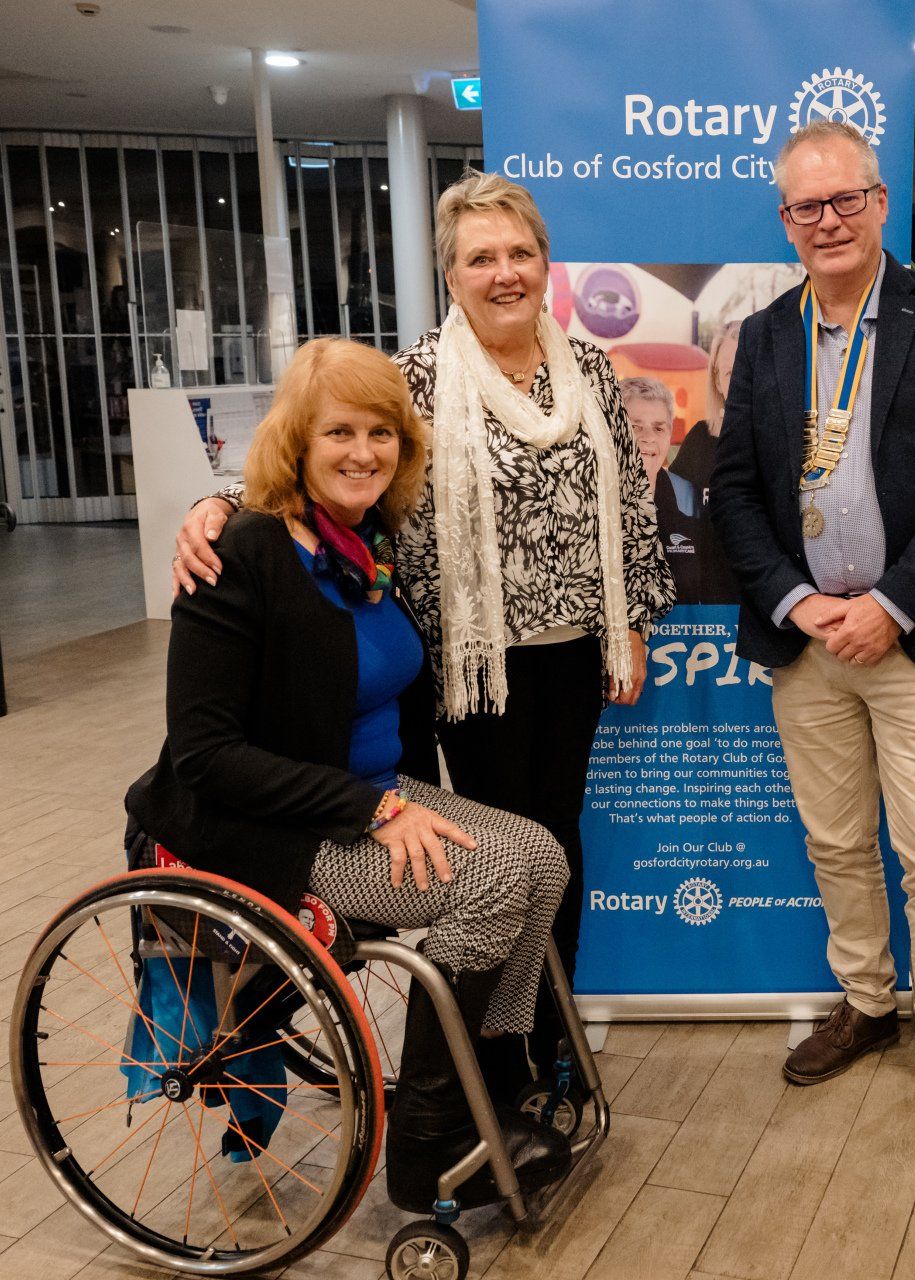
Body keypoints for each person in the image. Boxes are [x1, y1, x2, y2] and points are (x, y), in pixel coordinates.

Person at [171, 171, 676, 1002]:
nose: (504, 272)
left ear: (546, 263)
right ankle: (479, 1054)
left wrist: (636, 624)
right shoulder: (417, 379)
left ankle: (547, 1035)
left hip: (577, 652)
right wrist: (218, 503)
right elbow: (327, 459)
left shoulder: (589, 368)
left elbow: (626, 496)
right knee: (490, 852)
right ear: (453, 276)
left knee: (561, 840)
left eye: (520, 252)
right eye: (482, 258)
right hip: (468, 667)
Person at [126, 338, 574, 1213]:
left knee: (543, 856)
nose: (363, 452)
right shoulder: (237, 559)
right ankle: (427, 1140)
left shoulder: (362, 544)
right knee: (485, 884)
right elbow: (204, 756)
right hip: (263, 824)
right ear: (296, 439)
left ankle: (494, 1075)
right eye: (339, 432)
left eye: (382, 433)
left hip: (362, 797)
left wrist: (394, 801)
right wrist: (373, 809)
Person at [708, 120, 915, 1153]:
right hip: (809, 641)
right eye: (807, 206)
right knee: (838, 842)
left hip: (914, 638)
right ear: (784, 221)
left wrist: (891, 605)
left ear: (881, 204)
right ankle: (867, 1000)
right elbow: (735, 490)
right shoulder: (762, 336)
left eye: (847, 201)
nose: (829, 221)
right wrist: (800, 602)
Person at [619, 374, 736, 605]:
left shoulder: (691, 499)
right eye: (635, 427)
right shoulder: (590, 500)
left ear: (670, 432)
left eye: (659, 428)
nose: (648, 438)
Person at [669, 319, 740, 505]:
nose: (740, 382)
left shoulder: (784, 442)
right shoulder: (700, 439)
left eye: (749, 369)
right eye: (730, 373)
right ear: (717, 382)